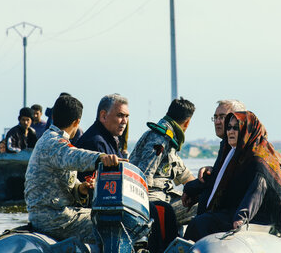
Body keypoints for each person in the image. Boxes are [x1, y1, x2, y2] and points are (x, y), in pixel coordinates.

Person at [184, 111, 281, 242]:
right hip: (240, 210)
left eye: (236, 128)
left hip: (263, 216)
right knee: (203, 218)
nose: (230, 132)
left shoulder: (259, 158)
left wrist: (240, 218)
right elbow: (218, 180)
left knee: (200, 223)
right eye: (229, 127)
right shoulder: (236, 154)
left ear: (247, 130)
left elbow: (257, 191)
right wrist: (189, 189)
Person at [24, 95, 120, 243]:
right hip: (55, 218)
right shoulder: (54, 142)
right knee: (113, 224)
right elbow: (74, 155)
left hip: (54, 214)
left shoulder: (49, 140)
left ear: (53, 116)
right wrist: (101, 158)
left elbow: (66, 183)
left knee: (101, 215)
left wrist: (81, 188)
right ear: (77, 122)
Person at [130, 97, 197, 226]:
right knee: (202, 207)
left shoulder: (169, 140)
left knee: (204, 200)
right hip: (151, 201)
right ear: (187, 122)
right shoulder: (160, 139)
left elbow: (184, 174)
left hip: (163, 196)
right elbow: (143, 177)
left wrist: (200, 190)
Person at [182, 99, 247, 214]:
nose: (217, 121)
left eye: (222, 117)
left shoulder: (239, 146)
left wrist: (189, 188)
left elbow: (217, 179)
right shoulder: (226, 145)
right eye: (215, 117)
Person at [75, 94, 129, 181]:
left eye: (126, 116)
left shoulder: (109, 139)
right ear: (103, 116)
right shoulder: (95, 143)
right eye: (120, 115)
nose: (125, 121)